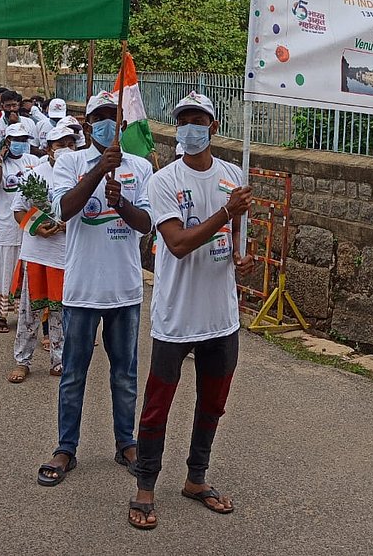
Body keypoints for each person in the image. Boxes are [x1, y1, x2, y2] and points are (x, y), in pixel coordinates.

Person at [127, 92, 253, 530]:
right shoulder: (163, 181)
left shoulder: (233, 175)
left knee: (212, 404)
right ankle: (145, 486)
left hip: (221, 317)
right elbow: (177, 245)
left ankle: (196, 479)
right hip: (177, 317)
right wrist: (225, 212)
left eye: (198, 120)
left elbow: (238, 238)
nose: (189, 129)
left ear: (213, 127)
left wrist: (243, 256)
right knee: (158, 405)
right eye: (183, 122)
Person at [37, 91, 152, 487]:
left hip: (125, 291)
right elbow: (64, 209)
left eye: (111, 115)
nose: (106, 121)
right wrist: (98, 171)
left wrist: (121, 205)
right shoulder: (69, 161)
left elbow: (146, 224)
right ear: (87, 126)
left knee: (125, 374)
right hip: (82, 291)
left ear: (120, 123)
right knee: (73, 374)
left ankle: (126, 442)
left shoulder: (140, 167)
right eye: (98, 116)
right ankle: (66, 446)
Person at [9, 125, 76, 382]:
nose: (66, 150)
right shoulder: (34, 174)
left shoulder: (80, 175)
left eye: (71, 144)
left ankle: (59, 360)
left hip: (65, 257)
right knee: (29, 311)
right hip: (37, 255)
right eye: (60, 145)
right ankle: (22, 360)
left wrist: (71, 224)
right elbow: (18, 211)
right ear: (49, 148)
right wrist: (39, 228)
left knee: (61, 312)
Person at [0, 124, 40, 332]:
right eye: (16, 139)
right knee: (3, 269)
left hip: (27, 225)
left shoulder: (33, 161)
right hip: (4, 226)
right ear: (7, 142)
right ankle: (0, 315)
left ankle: (25, 312)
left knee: (25, 270)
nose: (20, 143)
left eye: (24, 139)